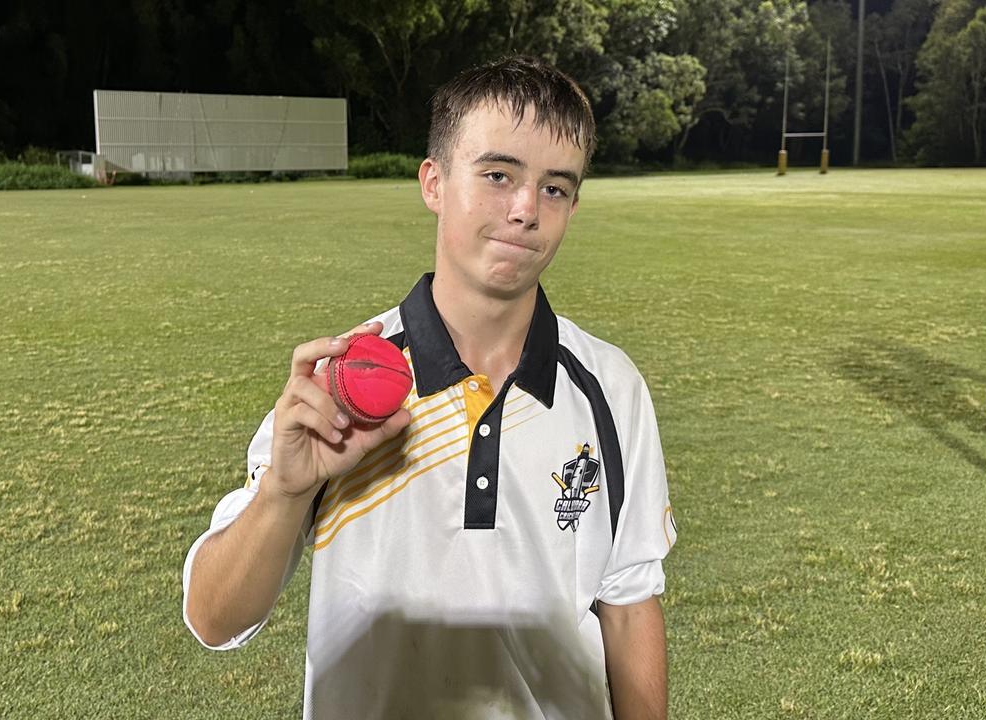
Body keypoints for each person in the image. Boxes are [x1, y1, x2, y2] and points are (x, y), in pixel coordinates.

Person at [182, 55, 676, 719]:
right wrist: (284, 491)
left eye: (556, 188)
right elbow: (214, 619)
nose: (526, 209)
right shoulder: (341, 385)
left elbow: (628, 602)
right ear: (434, 182)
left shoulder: (610, 386)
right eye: (499, 175)